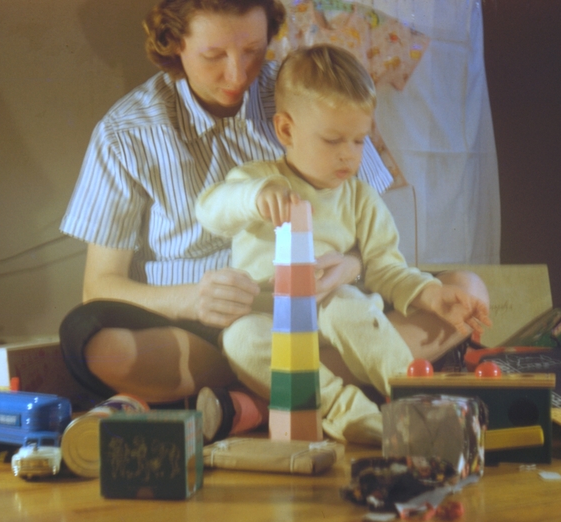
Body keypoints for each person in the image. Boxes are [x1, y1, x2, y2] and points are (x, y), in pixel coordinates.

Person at [58, 0, 488, 427]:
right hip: (198, 333)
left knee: (468, 291)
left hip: (330, 309)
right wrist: (190, 299)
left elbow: (368, 226)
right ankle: (303, 382)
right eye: (214, 56)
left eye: (253, 51)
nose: (237, 74)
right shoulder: (124, 135)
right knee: (101, 348)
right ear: (174, 43)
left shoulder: (306, 92)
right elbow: (100, 287)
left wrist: (349, 266)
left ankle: (258, 396)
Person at [195, 44, 491, 445]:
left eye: (358, 141)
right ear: (286, 130)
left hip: (333, 314)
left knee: (350, 308)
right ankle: (349, 415)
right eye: (333, 140)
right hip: (270, 321)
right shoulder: (257, 179)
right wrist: (256, 195)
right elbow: (210, 209)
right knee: (239, 340)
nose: (348, 157)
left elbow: (387, 269)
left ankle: (416, 404)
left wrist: (431, 294)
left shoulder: (361, 198)